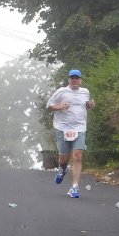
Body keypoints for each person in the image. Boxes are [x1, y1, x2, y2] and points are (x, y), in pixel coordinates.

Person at [46, 69, 95, 198]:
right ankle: (63, 169)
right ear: (69, 79)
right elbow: (49, 106)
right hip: (63, 128)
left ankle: (74, 187)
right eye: (72, 78)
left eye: (76, 78)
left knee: (77, 156)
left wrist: (90, 105)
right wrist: (60, 107)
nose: (74, 80)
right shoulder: (62, 91)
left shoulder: (85, 92)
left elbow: (85, 106)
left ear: (80, 80)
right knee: (63, 159)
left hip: (79, 128)